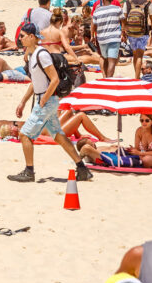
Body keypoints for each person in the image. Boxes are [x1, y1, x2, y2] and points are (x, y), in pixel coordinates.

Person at [7, 22, 92, 183]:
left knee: (25, 134)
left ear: (32, 37)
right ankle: (82, 169)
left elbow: (55, 79)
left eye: (23, 36)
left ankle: (29, 171)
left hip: (46, 100)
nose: (20, 39)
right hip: (46, 100)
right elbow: (35, 82)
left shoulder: (41, 54)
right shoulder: (32, 56)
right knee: (59, 136)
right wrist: (23, 102)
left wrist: (44, 100)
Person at [92, 0, 123, 77]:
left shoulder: (96, 4)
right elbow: (121, 20)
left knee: (103, 57)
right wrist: (122, 33)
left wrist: (92, 35)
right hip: (113, 35)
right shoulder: (115, 3)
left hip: (100, 35)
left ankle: (104, 76)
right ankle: (109, 79)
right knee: (112, 59)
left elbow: (93, 21)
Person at [122, 0, 152, 78]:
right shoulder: (147, 3)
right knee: (140, 56)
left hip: (131, 32)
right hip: (143, 32)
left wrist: (123, 31)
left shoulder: (128, 2)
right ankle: (137, 78)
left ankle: (137, 76)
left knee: (135, 54)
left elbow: (124, 18)